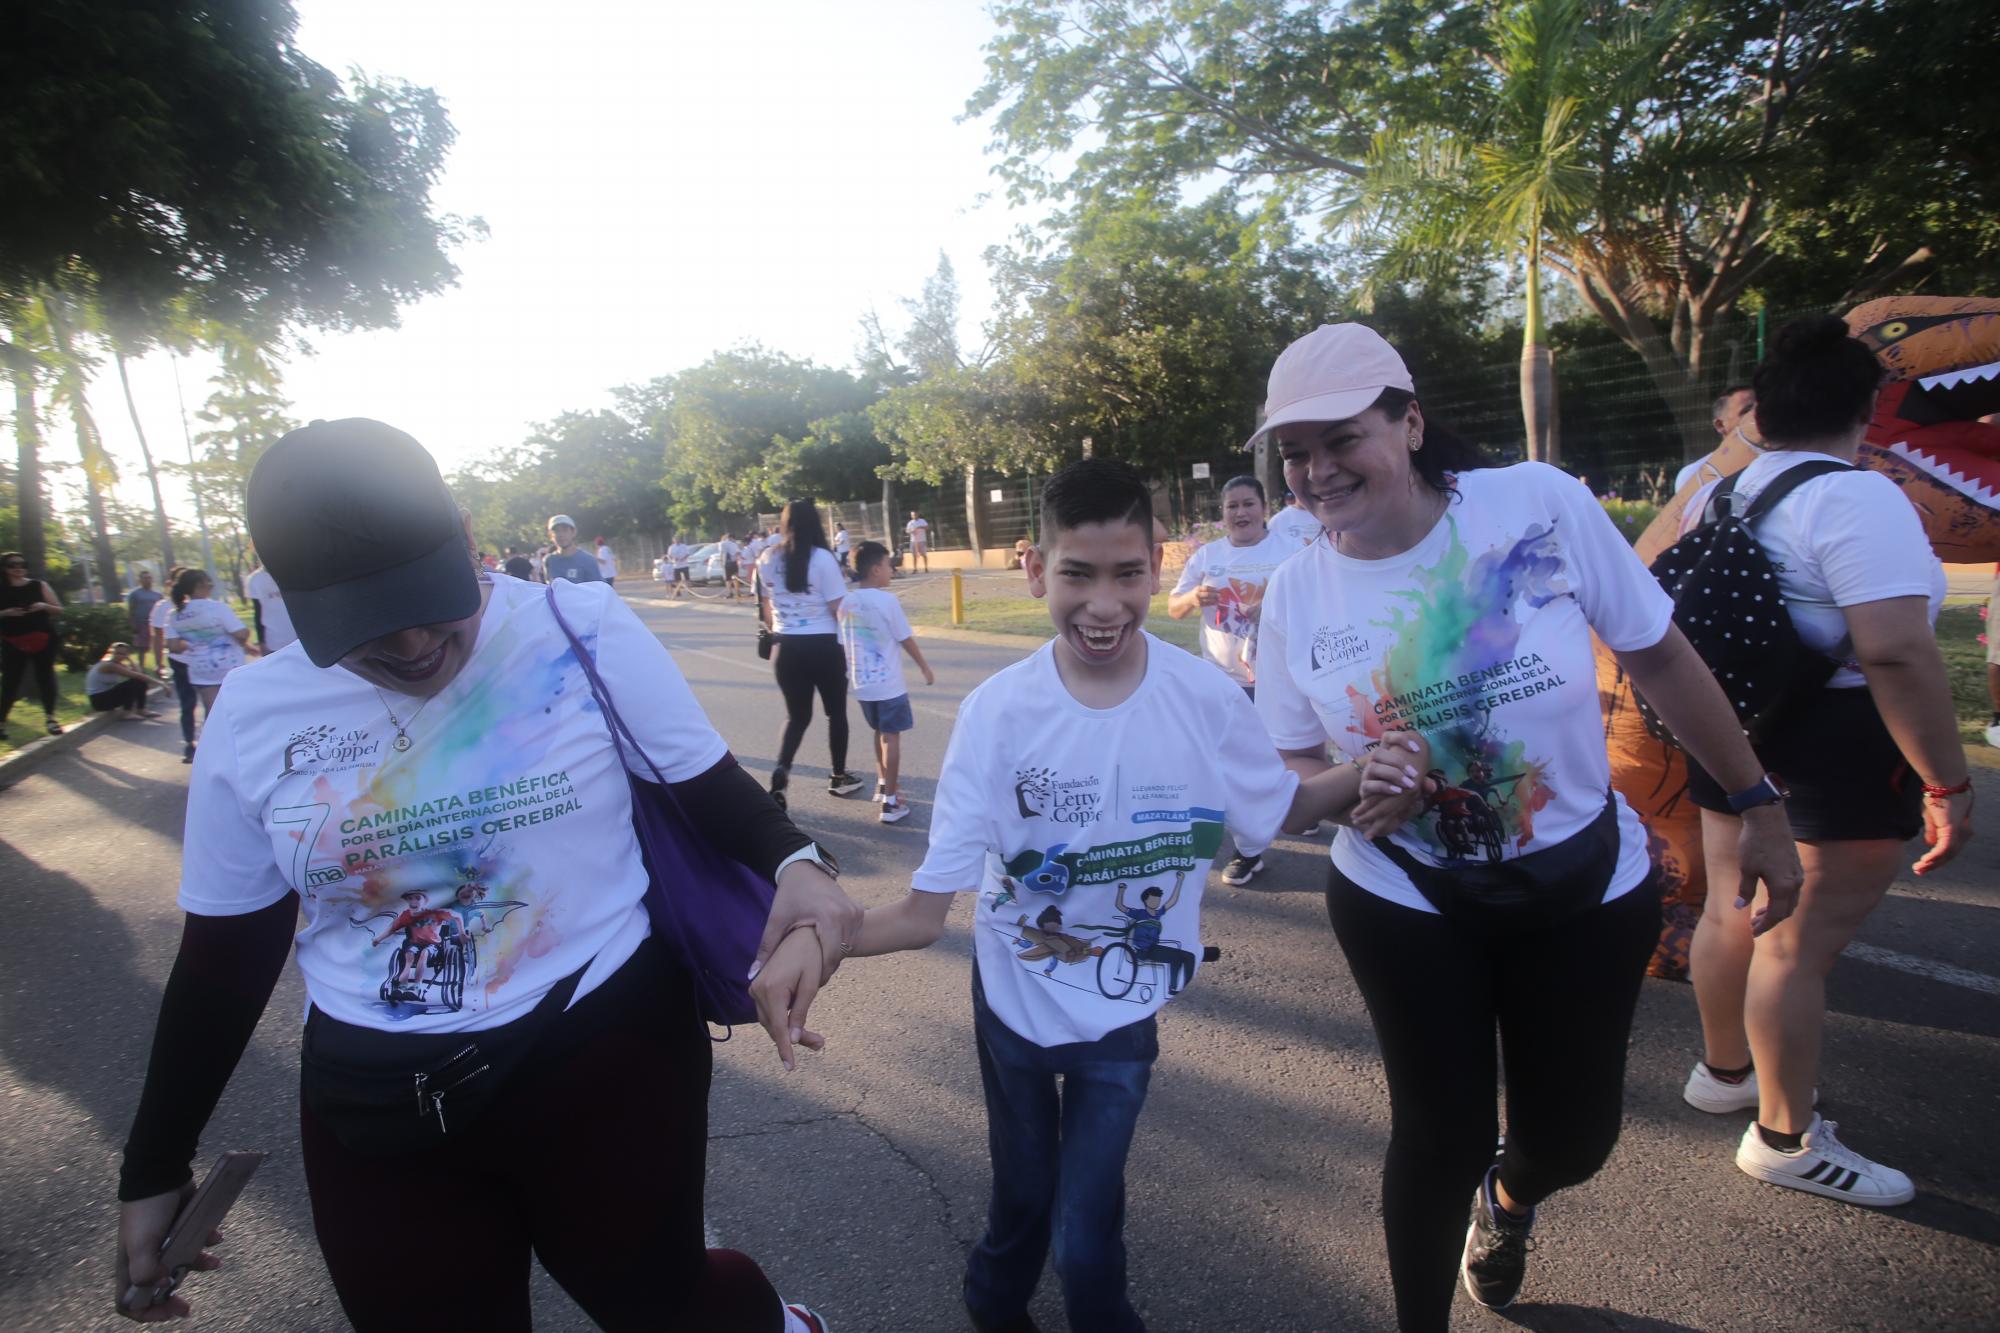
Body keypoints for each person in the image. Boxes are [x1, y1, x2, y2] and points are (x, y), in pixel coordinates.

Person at [114, 419, 853, 1333]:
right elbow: (224, 955)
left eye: (433, 597)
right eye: (371, 622)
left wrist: (803, 867)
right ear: (286, 600)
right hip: (376, 1103)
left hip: (607, 1056)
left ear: (464, 536)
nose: (418, 641)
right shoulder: (257, 711)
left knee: (664, 1307)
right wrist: (152, 1163)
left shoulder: (572, 627)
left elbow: (714, 794)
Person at [757, 458, 1421, 1333]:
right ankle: (994, 1306)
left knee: (1085, 1235)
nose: (1103, 604)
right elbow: (922, 915)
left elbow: (1280, 808)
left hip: (1123, 1011)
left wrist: (1361, 770)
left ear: (1157, 564)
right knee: (1024, 1204)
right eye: (1078, 573)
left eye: (1128, 574)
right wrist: (820, 937)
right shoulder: (999, 715)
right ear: (1037, 568)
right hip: (1013, 1008)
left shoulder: (1205, 698)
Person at [1249, 324, 1803, 1330]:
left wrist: (1755, 801)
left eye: (1340, 439)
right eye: (1293, 451)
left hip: (1584, 887)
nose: (1316, 470)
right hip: (1405, 896)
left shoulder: (1533, 505)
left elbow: (1661, 656)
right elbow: (1288, 772)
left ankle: (1508, 1200)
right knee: (1433, 1135)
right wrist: (1354, 778)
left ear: (1409, 423)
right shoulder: (1293, 595)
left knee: (1571, 1140)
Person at [1681, 316, 1973, 1209]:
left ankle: (1725, 1069)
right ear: (1867, 409)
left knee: (1734, 906)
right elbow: (1895, 651)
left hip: (1734, 728)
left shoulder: (1720, 492)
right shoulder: (1858, 496)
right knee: (1796, 943)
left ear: (1761, 410)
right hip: (1832, 743)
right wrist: (1947, 781)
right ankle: (1783, 1135)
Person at [1168, 474, 1300, 883]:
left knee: (1287, 756)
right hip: (1223, 681)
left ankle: (1302, 805)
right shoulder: (1208, 556)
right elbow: (1175, 608)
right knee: (1230, 765)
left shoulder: (1291, 551)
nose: (1240, 513)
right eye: (1232, 506)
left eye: (1248, 504)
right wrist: (1193, 598)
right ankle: (1250, 849)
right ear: (1223, 514)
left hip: (1281, 677)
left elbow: (1316, 602)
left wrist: (1275, 606)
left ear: (1265, 508)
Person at [757, 499, 864, 807]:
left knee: (796, 717)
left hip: (786, 647)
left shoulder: (767, 558)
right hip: (824, 646)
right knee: (836, 713)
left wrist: (783, 626)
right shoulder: (822, 559)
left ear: (785, 523)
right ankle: (839, 776)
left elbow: (766, 608)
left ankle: (781, 771)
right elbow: (836, 609)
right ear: (815, 523)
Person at [838, 541, 934, 824]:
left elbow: (842, 643)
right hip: (889, 685)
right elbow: (905, 638)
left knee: (879, 732)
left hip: (863, 685)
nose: (892, 571)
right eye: (889, 566)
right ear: (876, 568)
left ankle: (883, 784)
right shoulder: (887, 602)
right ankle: (891, 802)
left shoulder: (846, 602)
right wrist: (925, 667)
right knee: (891, 738)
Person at [164, 568, 253, 723]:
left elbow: (173, 646)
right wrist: (246, 632)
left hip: (200, 668)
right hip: (229, 666)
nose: (211, 587)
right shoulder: (217, 608)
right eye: (209, 584)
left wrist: (194, 643)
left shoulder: (175, 614)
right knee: (238, 710)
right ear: (200, 585)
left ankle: (214, 742)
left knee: (212, 713)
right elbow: (240, 634)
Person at [1, 551, 65, 737]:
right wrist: (6, 613)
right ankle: (1, 723)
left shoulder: (39, 585)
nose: (18, 568)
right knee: (10, 681)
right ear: (4, 568)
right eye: (13, 565)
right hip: (12, 640)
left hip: (43, 637)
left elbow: (59, 609)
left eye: (22, 564)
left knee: (45, 677)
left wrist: (43, 606)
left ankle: (51, 719)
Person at [1674, 385, 1758, 492]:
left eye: (1760, 408)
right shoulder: (1693, 476)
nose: (1756, 415)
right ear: (1720, 425)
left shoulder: (1780, 465)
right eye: (1746, 411)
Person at [85, 642, 162, 719]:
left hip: (106, 698)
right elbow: (137, 675)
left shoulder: (117, 664)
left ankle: (141, 709)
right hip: (99, 702)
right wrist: (161, 683)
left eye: (123, 654)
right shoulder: (108, 665)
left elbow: (138, 672)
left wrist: (130, 659)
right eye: (117, 653)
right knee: (134, 682)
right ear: (111, 653)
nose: (120, 656)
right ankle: (127, 713)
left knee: (139, 681)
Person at [243, 562, 299, 652]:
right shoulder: (255, 579)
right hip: (272, 641)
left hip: (299, 640)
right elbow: (258, 613)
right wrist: (261, 641)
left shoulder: (294, 573)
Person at [542, 515, 602, 584]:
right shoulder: (548, 560)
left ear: (573, 532)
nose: (561, 535)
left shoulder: (588, 560)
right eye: (557, 531)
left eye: (565, 530)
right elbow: (549, 587)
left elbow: (599, 590)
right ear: (551, 535)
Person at [126, 569, 163, 670]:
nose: (148, 580)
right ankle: (141, 666)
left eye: (149, 578)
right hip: (141, 623)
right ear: (140, 580)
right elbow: (131, 610)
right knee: (142, 646)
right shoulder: (135, 594)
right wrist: (132, 624)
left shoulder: (158, 595)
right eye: (145, 578)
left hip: (155, 624)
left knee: (157, 645)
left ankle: (159, 665)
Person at [719, 531, 744, 600]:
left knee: (728, 579)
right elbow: (738, 553)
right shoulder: (734, 544)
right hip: (734, 562)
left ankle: (730, 593)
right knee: (736, 578)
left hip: (727, 563)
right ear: (732, 538)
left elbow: (721, 552)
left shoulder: (723, 543)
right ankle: (737, 592)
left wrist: (721, 561)